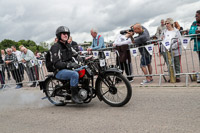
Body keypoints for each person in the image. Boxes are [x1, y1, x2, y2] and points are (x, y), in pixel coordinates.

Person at [50, 26, 83, 104]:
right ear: (59, 35)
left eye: (67, 34)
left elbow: (76, 54)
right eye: (63, 34)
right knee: (74, 74)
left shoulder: (68, 45)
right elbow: (56, 63)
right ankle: (74, 96)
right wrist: (69, 65)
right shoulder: (55, 47)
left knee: (84, 70)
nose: (66, 35)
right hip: (59, 71)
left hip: (67, 69)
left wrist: (84, 59)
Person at [161, 18, 182, 82]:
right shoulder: (164, 31)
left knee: (176, 63)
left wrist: (172, 47)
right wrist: (161, 38)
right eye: (165, 23)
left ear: (171, 23)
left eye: (167, 23)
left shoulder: (176, 31)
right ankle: (171, 76)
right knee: (169, 64)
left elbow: (179, 41)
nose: (166, 25)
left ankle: (177, 76)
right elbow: (160, 39)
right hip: (166, 50)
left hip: (175, 50)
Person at [189, 10, 200, 83]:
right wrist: (196, 32)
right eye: (195, 16)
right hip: (198, 47)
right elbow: (190, 33)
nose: (195, 17)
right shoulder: (194, 23)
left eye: (197, 16)